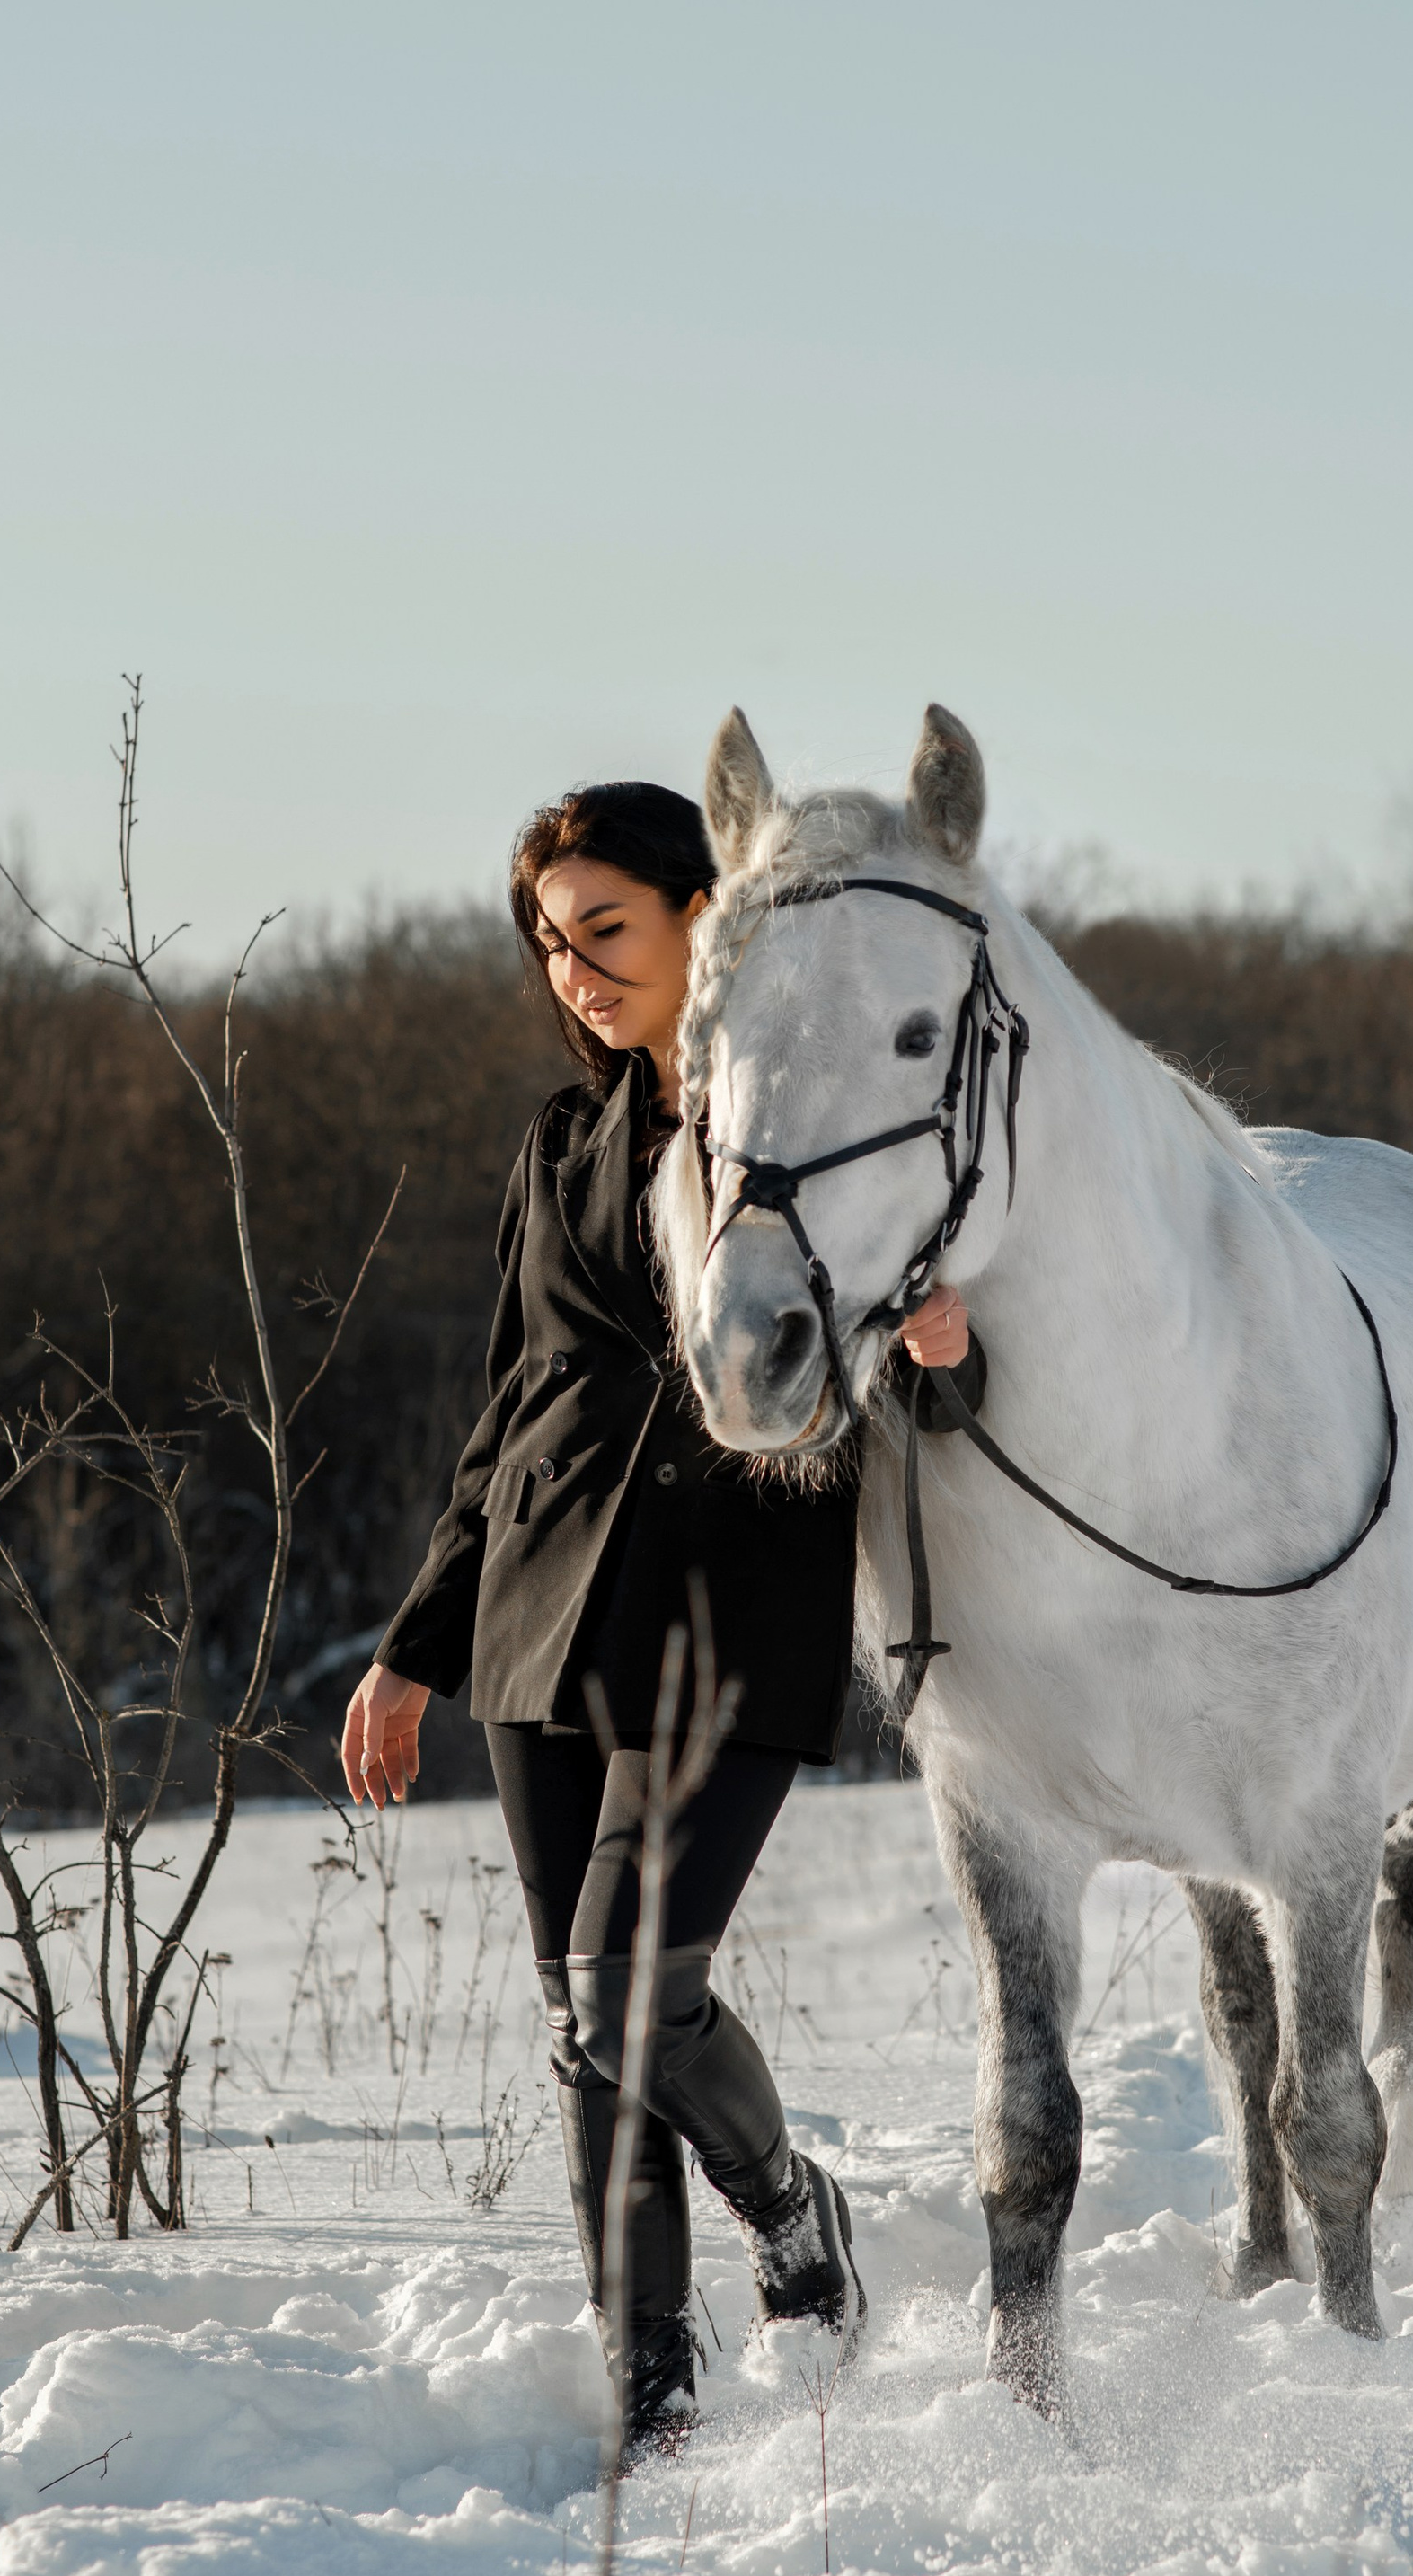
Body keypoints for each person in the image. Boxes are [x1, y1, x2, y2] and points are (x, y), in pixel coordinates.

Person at [339, 778, 977, 2467]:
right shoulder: (558, 1143)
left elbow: (928, 1381)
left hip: (734, 1610)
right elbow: (510, 1407)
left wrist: (949, 1354)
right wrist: (414, 1645)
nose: (575, 970)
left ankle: (788, 2203)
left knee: (627, 1983)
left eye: (604, 928)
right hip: (537, 1622)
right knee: (586, 2031)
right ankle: (654, 2393)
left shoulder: (816, 1119)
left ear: (705, 910)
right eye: (552, 944)